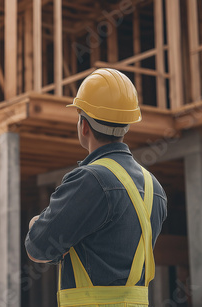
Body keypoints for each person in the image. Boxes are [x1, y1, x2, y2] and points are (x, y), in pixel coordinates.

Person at [25, 68, 167, 306]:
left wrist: (35, 223)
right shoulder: (155, 189)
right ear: (127, 125)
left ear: (84, 126)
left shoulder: (89, 180)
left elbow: (38, 248)